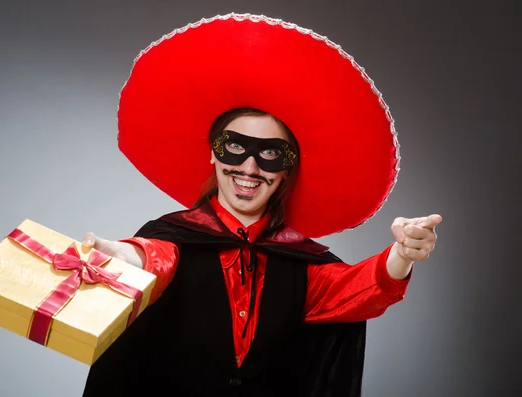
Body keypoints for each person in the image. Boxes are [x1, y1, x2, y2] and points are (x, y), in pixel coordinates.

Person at [81, 14, 441, 397]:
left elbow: (357, 289)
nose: (249, 168)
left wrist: (402, 254)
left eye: (270, 154)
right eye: (235, 146)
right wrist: (118, 255)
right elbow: (156, 259)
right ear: (213, 156)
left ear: (286, 172)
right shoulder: (175, 236)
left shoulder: (301, 263)